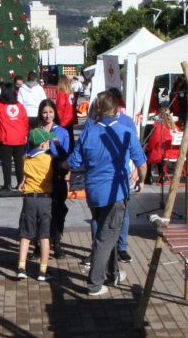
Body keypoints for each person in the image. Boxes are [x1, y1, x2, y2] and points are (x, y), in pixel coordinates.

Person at [66, 90, 147, 296]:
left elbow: (74, 162)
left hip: (94, 192)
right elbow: (141, 162)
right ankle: (94, 283)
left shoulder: (88, 132)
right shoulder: (125, 131)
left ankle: (113, 274)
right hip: (115, 192)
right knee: (106, 237)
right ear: (115, 109)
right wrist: (141, 179)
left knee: (106, 234)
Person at [17, 127, 57, 282]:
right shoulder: (49, 159)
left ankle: (21, 267)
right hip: (45, 199)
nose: (49, 143)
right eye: (48, 141)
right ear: (42, 145)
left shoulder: (26, 160)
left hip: (29, 200)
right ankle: (42, 270)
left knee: (25, 235)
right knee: (44, 236)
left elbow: (25, 171)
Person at [34, 99, 71, 259]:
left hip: (58, 177)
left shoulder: (62, 132)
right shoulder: (35, 131)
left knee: (58, 211)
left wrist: (68, 177)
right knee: (40, 212)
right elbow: (29, 155)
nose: (47, 115)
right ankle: (38, 245)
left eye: (50, 112)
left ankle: (57, 242)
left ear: (54, 112)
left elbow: (68, 157)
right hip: (40, 178)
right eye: (44, 112)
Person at [0, 83, 29, 194]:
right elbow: (25, 121)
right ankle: (20, 184)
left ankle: (7, 184)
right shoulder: (19, 106)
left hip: (5, 138)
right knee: (19, 163)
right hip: (19, 138)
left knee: (6, 163)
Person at [143, 101, 182, 185]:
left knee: (148, 152)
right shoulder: (176, 127)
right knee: (157, 151)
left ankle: (148, 177)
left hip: (164, 153)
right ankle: (162, 176)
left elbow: (154, 141)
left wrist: (147, 147)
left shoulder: (159, 126)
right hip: (175, 153)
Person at [53, 75, 77, 149]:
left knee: (63, 137)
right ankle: (72, 149)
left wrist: (56, 119)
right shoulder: (71, 92)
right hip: (70, 117)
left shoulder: (61, 93)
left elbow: (60, 107)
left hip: (64, 118)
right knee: (70, 135)